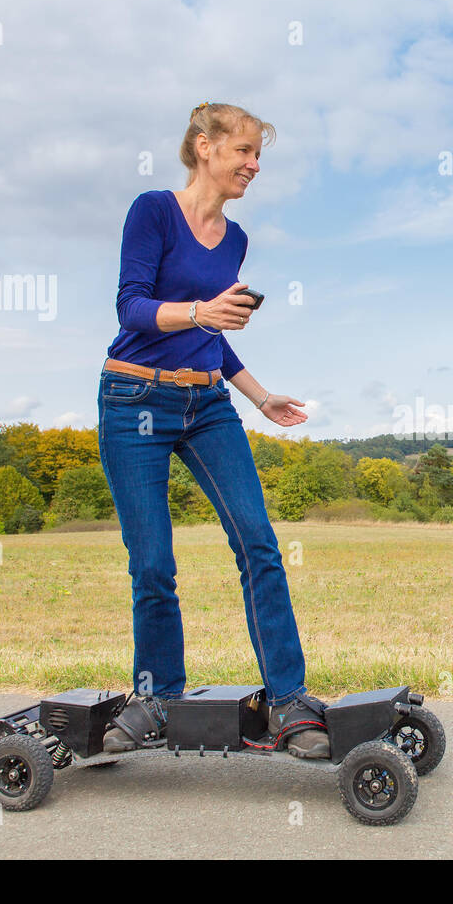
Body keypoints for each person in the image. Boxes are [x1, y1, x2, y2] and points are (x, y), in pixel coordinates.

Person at [97, 102, 328, 758]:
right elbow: (133, 307)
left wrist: (258, 397)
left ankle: (287, 701)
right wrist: (202, 309)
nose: (254, 166)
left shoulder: (236, 240)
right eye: (244, 152)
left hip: (208, 406)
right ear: (205, 147)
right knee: (153, 564)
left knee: (258, 541)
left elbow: (213, 335)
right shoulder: (153, 211)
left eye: (259, 156)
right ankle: (156, 697)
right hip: (132, 397)